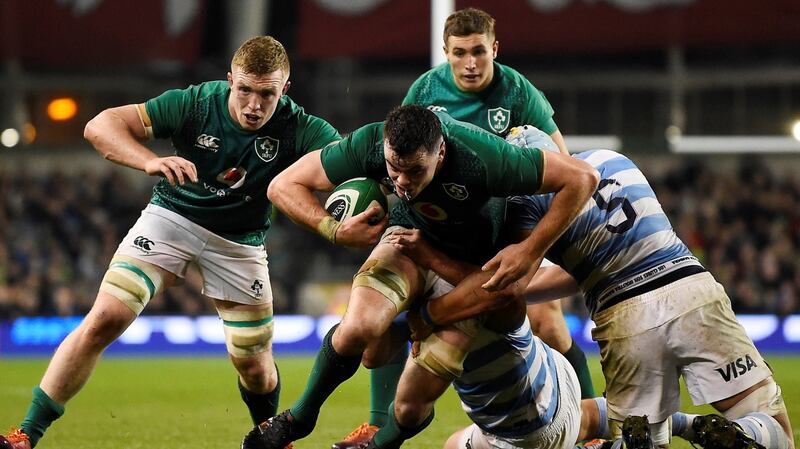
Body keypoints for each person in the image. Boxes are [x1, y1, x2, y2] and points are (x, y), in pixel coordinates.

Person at [0, 36, 341, 449]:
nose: (253, 105)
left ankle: (271, 437)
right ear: (229, 79)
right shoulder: (195, 104)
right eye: (244, 90)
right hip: (172, 218)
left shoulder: (303, 128)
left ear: (284, 90)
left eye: (266, 94)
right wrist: (148, 159)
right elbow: (100, 126)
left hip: (240, 241)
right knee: (104, 318)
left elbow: (348, 165)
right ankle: (26, 435)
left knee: (253, 365)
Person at [384, 127, 794, 449]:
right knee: (774, 427)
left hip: (622, 316)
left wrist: (433, 300)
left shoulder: (528, 205)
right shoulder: (614, 160)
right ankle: (753, 434)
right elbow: (591, 259)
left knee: (643, 439)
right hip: (687, 285)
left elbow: (513, 283)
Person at [241, 104, 599, 449]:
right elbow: (282, 186)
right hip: (406, 242)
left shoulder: (486, 158)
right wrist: (333, 229)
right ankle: (299, 418)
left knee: (409, 405)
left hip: (468, 272)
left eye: (415, 172)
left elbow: (584, 176)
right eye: (393, 168)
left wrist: (530, 251)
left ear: (441, 153)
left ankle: (384, 442)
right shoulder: (369, 143)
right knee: (359, 330)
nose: (401, 182)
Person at [335, 10, 595, 447]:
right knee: (390, 309)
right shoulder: (426, 89)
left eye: (478, 52)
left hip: (504, 228)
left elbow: (560, 160)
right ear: (446, 53)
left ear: (494, 49)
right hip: (437, 222)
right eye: (460, 53)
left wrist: (540, 240)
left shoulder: (517, 91)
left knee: (548, 321)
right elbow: (401, 147)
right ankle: (378, 425)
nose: (470, 63)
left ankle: (588, 420)